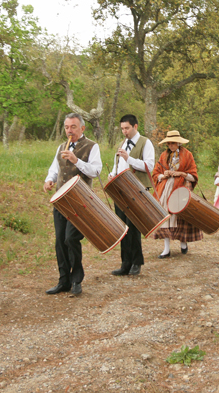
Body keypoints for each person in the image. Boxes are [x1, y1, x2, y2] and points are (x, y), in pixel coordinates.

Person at [43, 113, 102, 295]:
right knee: (60, 241)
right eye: (67, 127)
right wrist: (49, 180)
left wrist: (77, 160)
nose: (69, 130)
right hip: (61, 201)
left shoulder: (92, 147)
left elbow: (96, 171)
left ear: (82, 128)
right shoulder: (61, 146)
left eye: (73, 127)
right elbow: (55, 168)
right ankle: (64, 281)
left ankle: (77, 280)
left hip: (80, 201)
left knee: (71, 239)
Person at [108, 114, 155, 277]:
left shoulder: (145, 142)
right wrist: (112, 174)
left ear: (135, 126)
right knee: (123, 227)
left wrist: (130, 159)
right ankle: (125, 263)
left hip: (137, 190)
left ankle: (136, 262)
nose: (124, 131)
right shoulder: (123, 143)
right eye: (122, 129)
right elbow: (119, 165)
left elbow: (149, 166)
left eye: (127, 128)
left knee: (133, 227)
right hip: (120, 190)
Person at [152, 130, 200, 257]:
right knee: (165, 215)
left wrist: (181, 174)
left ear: (178, 142)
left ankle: (183, 242)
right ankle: (166, 249)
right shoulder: (163, 155)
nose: (171, 146)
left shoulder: (187, 155)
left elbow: (194, 175)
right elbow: (156, 173)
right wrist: (164, 174)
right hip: (166, 188)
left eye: (173, 143)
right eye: (168, 143)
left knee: (181, 215)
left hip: (182, 187)